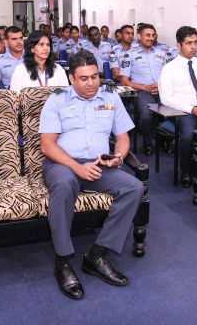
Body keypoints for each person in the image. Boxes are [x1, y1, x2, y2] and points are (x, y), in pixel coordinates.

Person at [39, 50, 143, 300]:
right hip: (63, 164)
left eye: (94, 77)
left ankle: (96, 256)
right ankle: (63, 261)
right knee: (64, 185)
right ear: (71, 79)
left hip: (98, 165)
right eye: (84, 78)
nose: (91, 83)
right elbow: (47, 146)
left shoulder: (111, 97)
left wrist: (118, 157)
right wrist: (77, 167)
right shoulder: (57, 100)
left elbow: (122, 138)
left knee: (134, 187)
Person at [158, 26, 197, 187]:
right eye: (189, 43)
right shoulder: (169, 69)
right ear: (179, 45)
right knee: (189, 136)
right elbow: (166, 98)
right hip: (184, 111)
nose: (194, 47)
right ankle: (186, 171)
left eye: (196, 42)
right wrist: (192, 110)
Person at [120, 23, 168, 155]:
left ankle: (165, 140)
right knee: (146, 115)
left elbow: (169, 75)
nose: (151, 38)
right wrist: (145, 87)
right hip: (142, 91)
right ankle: (148, 143)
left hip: (162, 91)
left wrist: (161, 85)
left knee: (175, 110)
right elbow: (124, 81)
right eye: (148, 35)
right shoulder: (129, 55)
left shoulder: (161, 54)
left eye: (153, 35)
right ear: (139, 36)